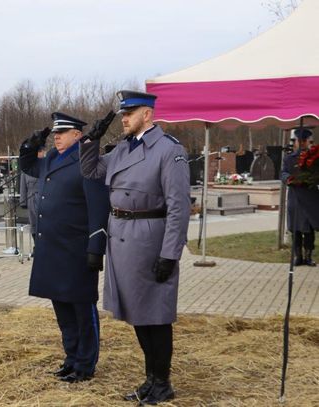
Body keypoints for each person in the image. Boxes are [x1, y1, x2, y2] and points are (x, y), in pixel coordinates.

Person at [79, 90, 190, 405]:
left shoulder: (169, 151)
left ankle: (162, 382)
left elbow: (178, 208)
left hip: (150, 241)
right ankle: (151, 380)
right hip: (123, 240)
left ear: (148, 114)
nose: (124, 118)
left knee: (156, 316)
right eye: (122, 113)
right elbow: (91, 171)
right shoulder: (124, 149)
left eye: (130, 113)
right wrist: (91, 141)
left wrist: (170, 254)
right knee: (139, 315)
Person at [19, 112, 110, 383]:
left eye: (63, 132)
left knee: (82, 311)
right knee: (63, 311)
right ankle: (71, 358)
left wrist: (96, 246)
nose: (57, 136)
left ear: (77, 135)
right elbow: (26, 165)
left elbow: (98, 206)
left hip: (76, 249)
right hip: (53, 249)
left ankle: (85, 364)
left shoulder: (85, 160)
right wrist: (31, 143)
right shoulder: (50, 159)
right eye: (55, 133)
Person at [281, 128, 316, 267]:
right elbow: (283, 173)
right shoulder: (289, 158)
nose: (301, 143)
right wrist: (289, 178)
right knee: (295, 229)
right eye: (298, 141)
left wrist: (312, 179)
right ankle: (298, 256)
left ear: (308, 142)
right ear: (295, 142)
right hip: (295, 197)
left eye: (304, 141)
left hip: (309, 197)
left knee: (309, 229)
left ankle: (308, 257)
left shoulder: (314, 158)